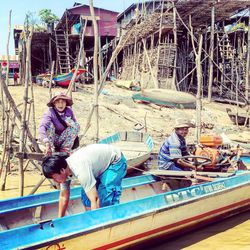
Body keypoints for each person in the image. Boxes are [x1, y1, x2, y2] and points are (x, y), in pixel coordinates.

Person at [42, 144, 127, 217]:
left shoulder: (80, 170)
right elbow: (63, 196)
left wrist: (96, 224)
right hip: (97, 166)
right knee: (86, 196)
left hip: (114, 161)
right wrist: (60, 220)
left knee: (106, 195)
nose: (55, 181)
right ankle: (90, 217)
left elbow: (95, 199)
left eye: (54, 178)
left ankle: (109, 219)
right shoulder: (64, 170)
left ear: (62, 170)